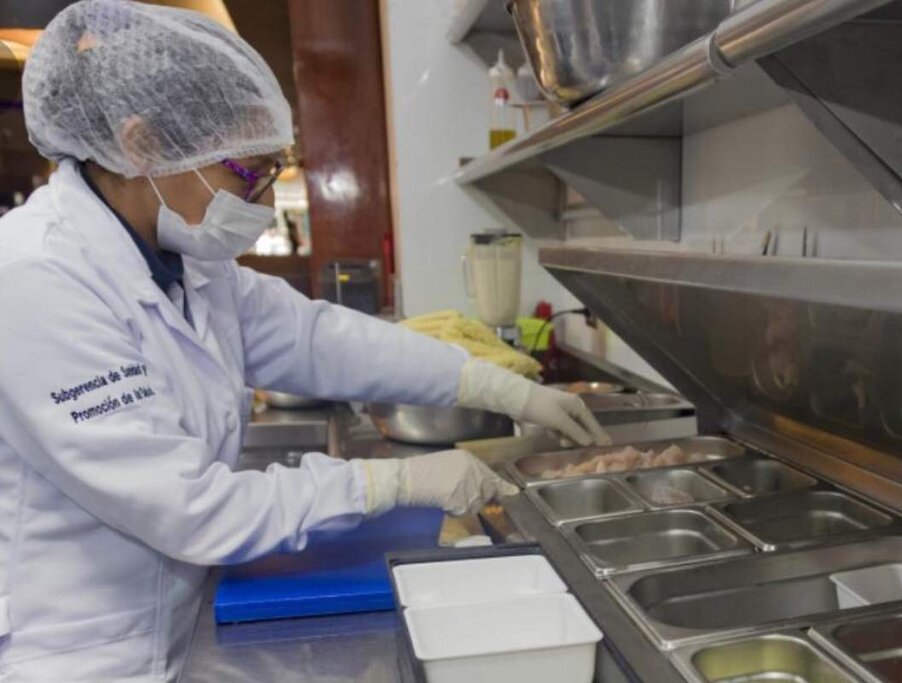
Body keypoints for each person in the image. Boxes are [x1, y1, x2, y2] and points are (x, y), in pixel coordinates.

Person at [0, 2, 609, 680]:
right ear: (141, 145)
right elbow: (190, 507)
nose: (260, 202)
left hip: (165, 623)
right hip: (76, 653)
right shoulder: (36, 279)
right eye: (245, 173)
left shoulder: (185, 261)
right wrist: (393, 481)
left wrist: (495, 385)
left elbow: (325, 339)